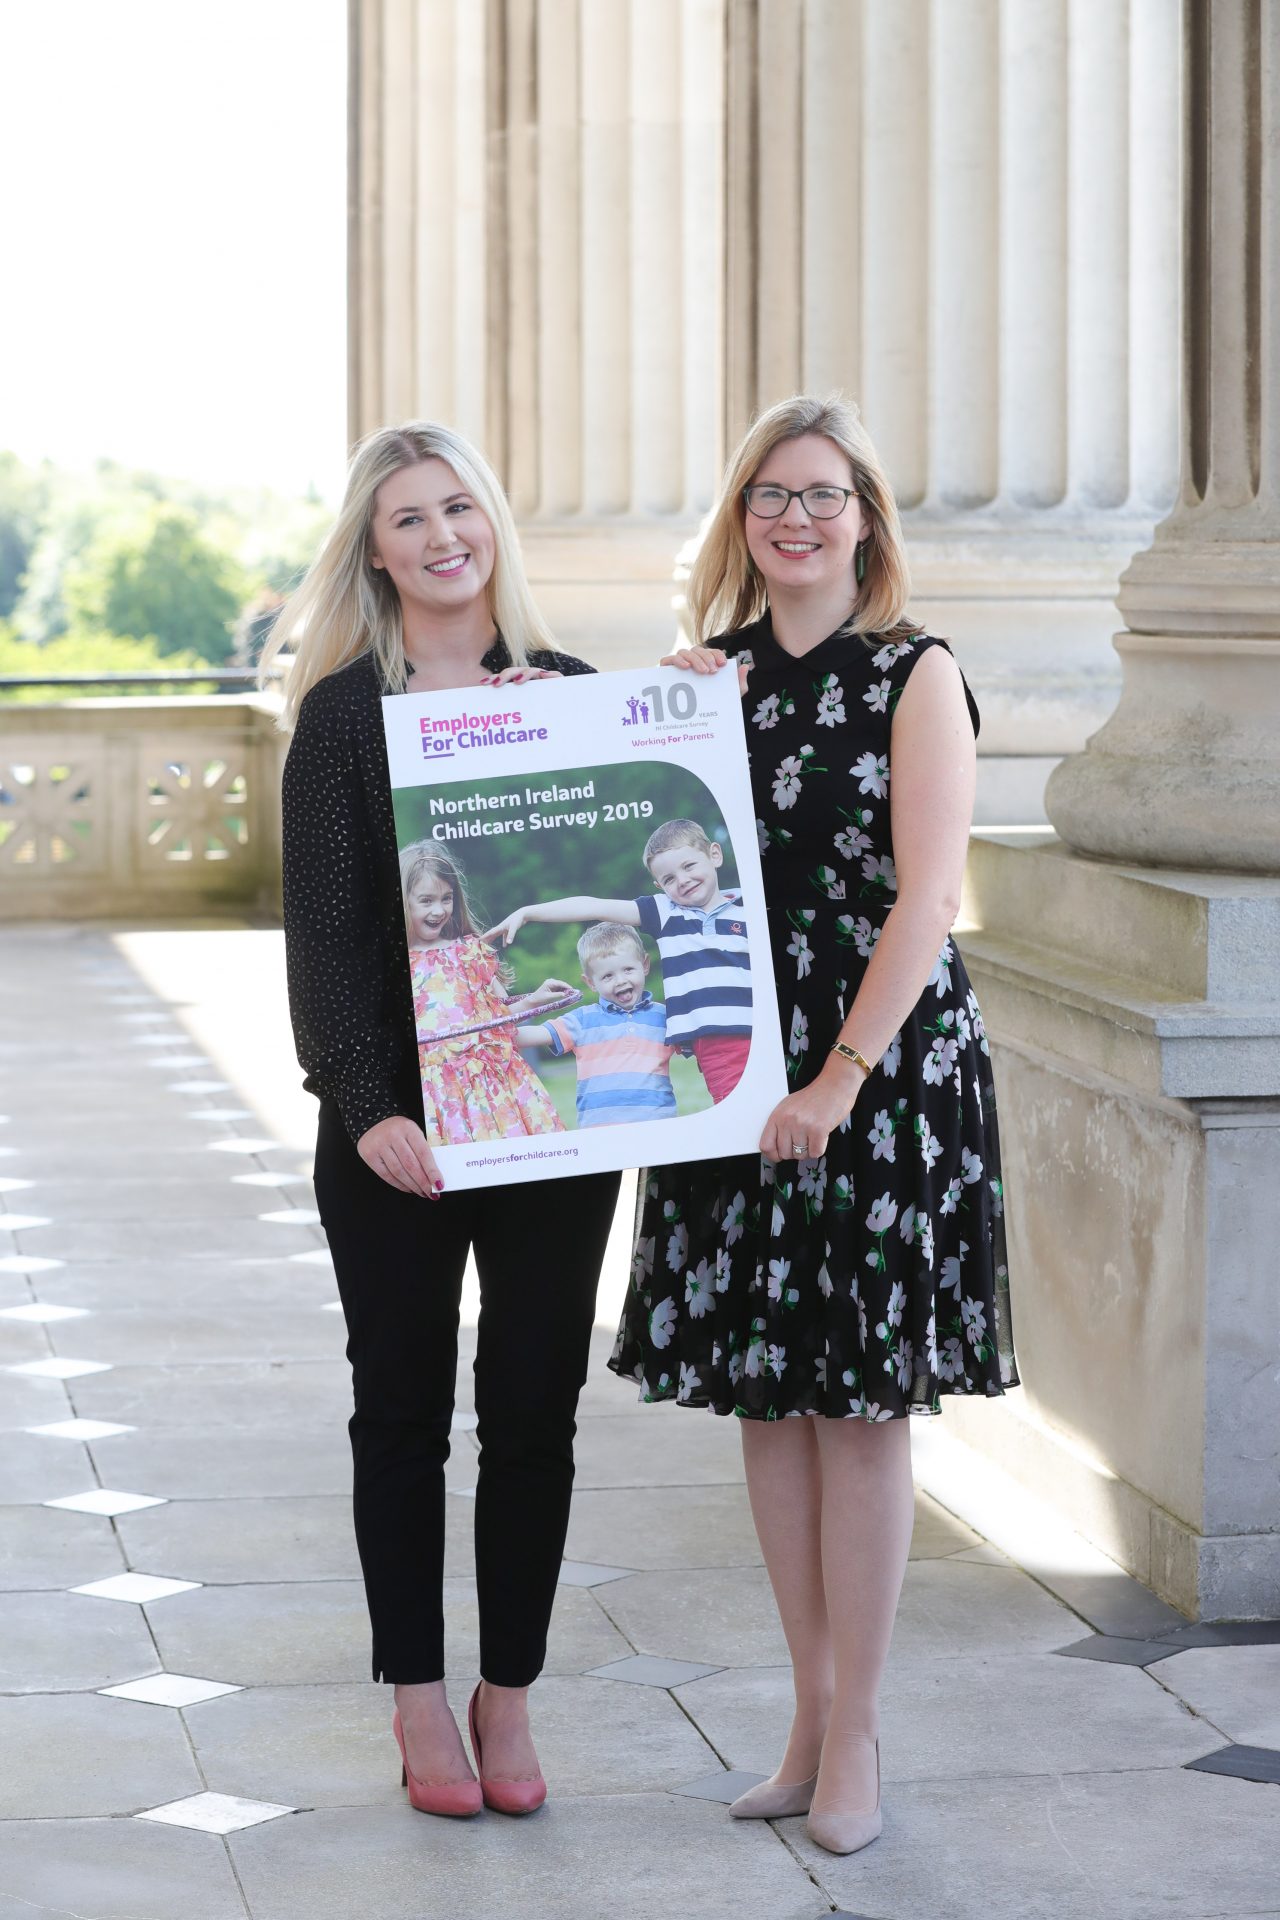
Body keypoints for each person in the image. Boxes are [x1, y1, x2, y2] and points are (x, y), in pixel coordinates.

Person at [608, 393, 1018, 1856]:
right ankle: (803, 1708)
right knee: (770, 1408)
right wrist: (654, 736)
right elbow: (658, 882)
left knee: (856, 1414)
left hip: (877, 1077)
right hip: (732, 1076)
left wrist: (838, 1080)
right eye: (769, 494)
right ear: (740, 519)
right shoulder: (702, 682)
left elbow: (927, 902)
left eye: (823, 495)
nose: (795, 517)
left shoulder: (917, 673)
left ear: (865, 521)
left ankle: (860, 1733)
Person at [262, 422, 621, 1819]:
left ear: (493, 526)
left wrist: (691, 705)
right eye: (407, 518)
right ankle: (418, 1698)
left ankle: (508, 1697)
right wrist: (367, 1110)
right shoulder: (347, 718)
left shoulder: (573, 700)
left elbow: (642, 899)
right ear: (375, 551)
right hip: (394, 1141)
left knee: (535, 1410)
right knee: (401, 1418)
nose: (439, 537)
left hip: (548, 1131)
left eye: (457, 507)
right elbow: (330, 944)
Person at [488, 816, 753, 1102]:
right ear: (658, 885)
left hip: (762, 1026)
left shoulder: (749, 907)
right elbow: (593, 906)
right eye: (669, 879)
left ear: (714, 854)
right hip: (718, 1044)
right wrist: (528, 912)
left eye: (689, 866)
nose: (683, 881)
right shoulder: (666, 912)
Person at [400, 840, 568, 1145]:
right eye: (426, 900)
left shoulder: (469, 953)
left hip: (492, 1086)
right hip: (435, 1096)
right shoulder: (393, 966)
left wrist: (532, 1001)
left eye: (446, 898)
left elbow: (496, 1022)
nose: (439, 910)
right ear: (402, 899)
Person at [517, 923, 677, 1127]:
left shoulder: (666, 1016)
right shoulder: (583, 1020)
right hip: (599, 1132)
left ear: (645, 965)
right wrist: (487, 1029)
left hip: (658, 1127)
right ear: (591, 982)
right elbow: (530, 1035)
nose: (620, 980)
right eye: (607, 976)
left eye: (628, 969)